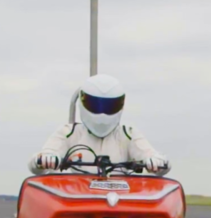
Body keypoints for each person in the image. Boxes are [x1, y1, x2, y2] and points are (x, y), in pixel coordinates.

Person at [29, 74, 170, 176]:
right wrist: (45, 159)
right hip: (75, 201)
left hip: (120, 203)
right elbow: (38, 164)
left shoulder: (128, 134)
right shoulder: (68, 132)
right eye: (95, 105)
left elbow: (154, 158)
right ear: (83, 103)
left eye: (110, 106)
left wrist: (156, 162)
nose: (102, 113)